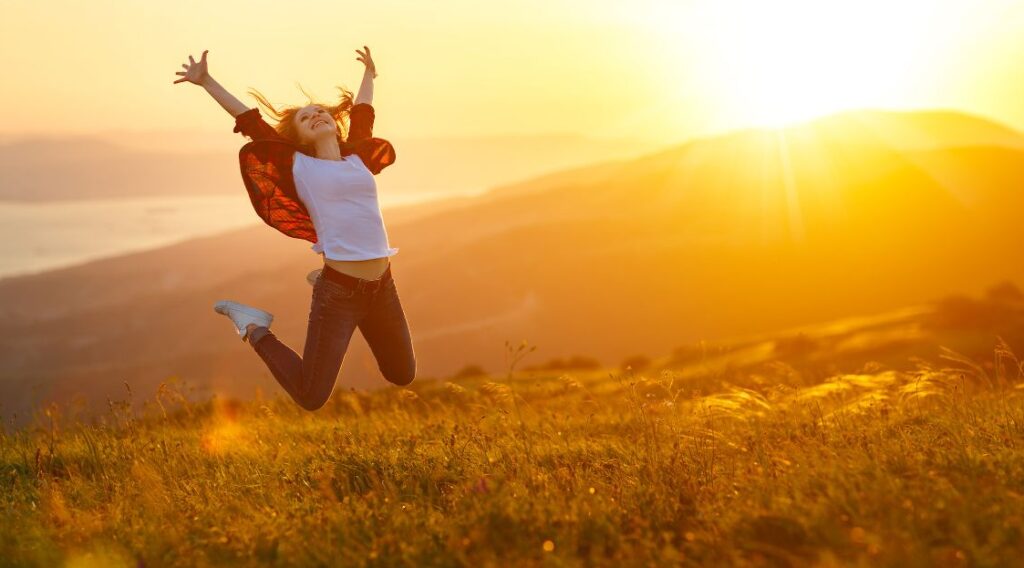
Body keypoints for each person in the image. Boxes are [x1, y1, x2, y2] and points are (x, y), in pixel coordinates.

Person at [173, 47, 415, 410]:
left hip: (383, 287)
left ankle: (321, 275)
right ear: (299, 138)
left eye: (320, 112)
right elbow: (249, 121)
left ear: (335, 122)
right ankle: (253, 327)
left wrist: (370, 75)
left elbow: (363, 111)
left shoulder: (357, 156)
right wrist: (206, 81)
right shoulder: (298, 165)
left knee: (402, 374)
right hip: (340, 295)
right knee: (311, 395)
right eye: (306, 118)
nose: (316, 115)